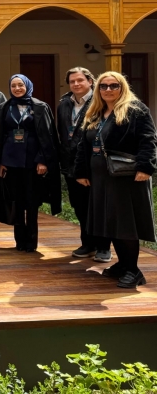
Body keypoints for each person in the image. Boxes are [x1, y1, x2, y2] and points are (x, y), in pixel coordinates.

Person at [75, 71, 157, 289]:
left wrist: (145, 167)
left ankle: (133, 270)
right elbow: (83, 145)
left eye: (114, 86)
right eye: (103, 86)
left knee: (125, 224)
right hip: (101, 179)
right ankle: (123, 265)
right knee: (111, 222)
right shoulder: (95, 112)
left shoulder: (136, 110)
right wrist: (81, 171)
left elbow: (148, 140)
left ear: (122, 87)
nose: (108, 90)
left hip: (126, 178)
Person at [0, 74, 61, 253]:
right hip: (11, 161)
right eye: (13, 86)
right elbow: (0, 135)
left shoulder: (40, 107)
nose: (17, 89)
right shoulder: (4, 107)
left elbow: (47, 136)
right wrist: (1, 161)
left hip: (33, 162)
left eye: (20, 85)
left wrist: (42, 160)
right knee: (16, 202)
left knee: (32, 202)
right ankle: (19, 240)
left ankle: (31, 241)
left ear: (27, 86)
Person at [57, 67, 111, 262]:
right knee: (80, 206)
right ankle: (88, 243)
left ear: (90, 81)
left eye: (80, 80)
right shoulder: (64, 104)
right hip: (71, 164)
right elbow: (63, 133)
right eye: (72, 81)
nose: (76, 84)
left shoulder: (100, 102)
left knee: (98, 206)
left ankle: (103, 247)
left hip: (94, 163)